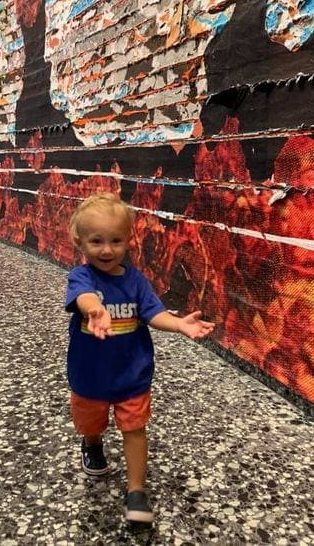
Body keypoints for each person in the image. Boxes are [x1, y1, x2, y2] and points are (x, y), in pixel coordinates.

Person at [65, 192, 215, 526]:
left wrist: (178, 324)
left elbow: (153, 313)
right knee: (91, 424)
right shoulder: (82, 277)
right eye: (97, 241)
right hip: (89, 376)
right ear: (80, 242)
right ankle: (92, 444)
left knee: (135, 430)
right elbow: (83, 298)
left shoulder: (136, 281)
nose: (107, 250)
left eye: (116, 240)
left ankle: (136, 492)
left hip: (132, 374)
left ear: (129, 240)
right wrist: (94, 310)